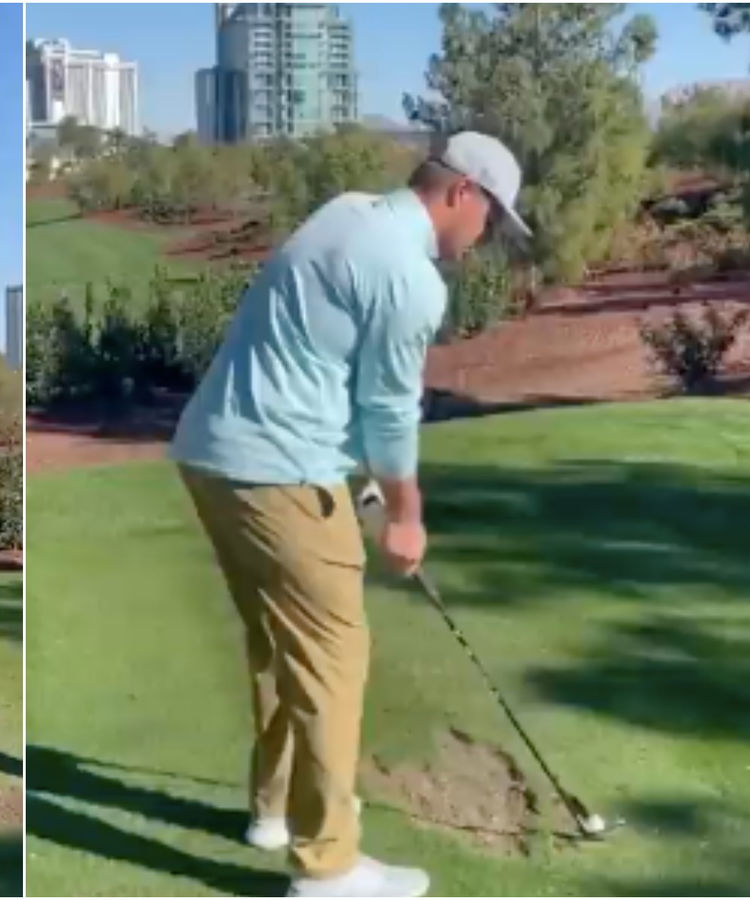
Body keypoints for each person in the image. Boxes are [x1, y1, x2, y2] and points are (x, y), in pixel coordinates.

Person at [168, 131, 529, 898]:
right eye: (492, 219)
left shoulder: (345, 211)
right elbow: (389, 412)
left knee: (275, 639)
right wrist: (405, 514)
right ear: (461, 193)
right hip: (278, 469)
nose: (485, 237)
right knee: (333, 661)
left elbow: (316, 356)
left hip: (211, 452)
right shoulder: (411, 277)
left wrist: (350, 474)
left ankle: (273, 808)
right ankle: (327, 865)